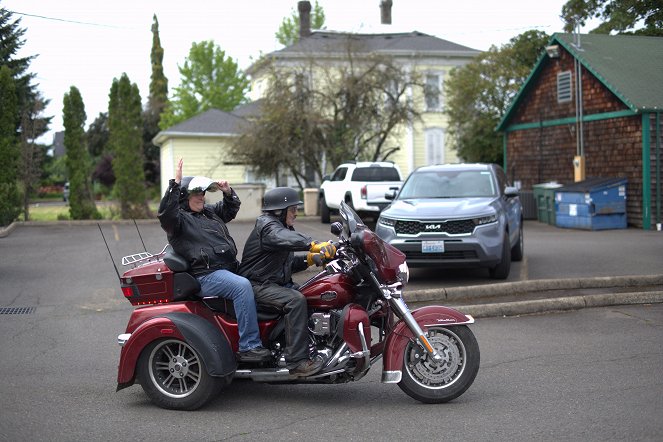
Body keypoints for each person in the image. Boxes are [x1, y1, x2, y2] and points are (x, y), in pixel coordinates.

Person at [158, 159, 271, 362]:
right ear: (184, 197)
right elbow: (166, 213)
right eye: (196, 193)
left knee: (263, 275)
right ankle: (249, 347)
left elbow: (229, 210)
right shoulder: (179, 221)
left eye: (203, 193)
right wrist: (176, 183)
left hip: (227, 269)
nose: (201, 197)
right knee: (241, 286)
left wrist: (227, 192)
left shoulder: (208, 213)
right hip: (205, 275)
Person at [238, 187, 336, 376]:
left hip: (274, 283)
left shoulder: (282, 228)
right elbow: (280, 237)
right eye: (292, 209)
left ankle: (312, 346)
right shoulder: (266, 226)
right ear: (279, 210)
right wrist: (313, 244)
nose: (296, 214)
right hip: (258, 285)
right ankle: (297, 362)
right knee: (295, 300)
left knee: (312, 294)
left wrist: (308, 259)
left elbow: (285, 264)